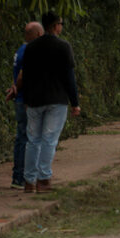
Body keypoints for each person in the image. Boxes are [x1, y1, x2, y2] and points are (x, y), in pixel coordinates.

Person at [19, 12, 81, 193]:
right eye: (61, 23)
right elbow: (69, 78)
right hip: (56, 100)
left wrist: (26, 99)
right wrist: (75, 102)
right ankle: (44, 179)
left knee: (33, 141)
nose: (61, 27)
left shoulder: (31, 48)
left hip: (34, 101)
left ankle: (29, 181)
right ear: (55, 26)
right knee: (49, 140)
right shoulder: (63, 47)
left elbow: (26, 76)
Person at [5, 21, 44, 189]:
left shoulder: (20, 50)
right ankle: (22, 177)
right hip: (26, 101)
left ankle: (18, 177)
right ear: (35, 35)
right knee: (28, 140)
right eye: (41, 35)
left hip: (20, 99)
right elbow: (22, 76)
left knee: (21, 138)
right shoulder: (30, 51)